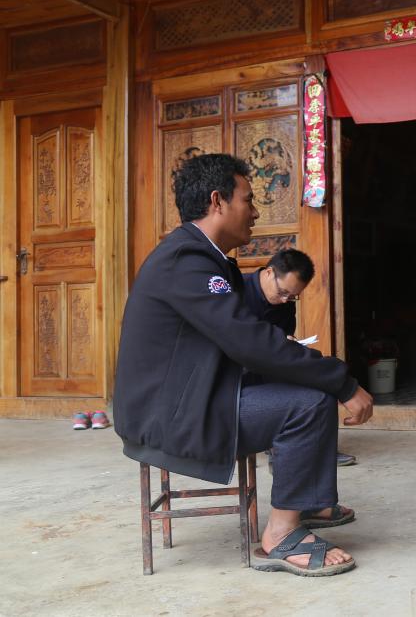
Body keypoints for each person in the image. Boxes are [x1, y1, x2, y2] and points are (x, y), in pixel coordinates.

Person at [114, 153, 373, 576]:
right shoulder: (187, 262)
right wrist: (341, 380)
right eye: (248, 200)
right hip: (173, 415)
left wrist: (322, 373)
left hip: (197, 396)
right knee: (309, 403)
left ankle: (305, 502)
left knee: (308, 389)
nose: (255, 212)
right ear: (218, 201)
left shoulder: (204, 258)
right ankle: (281, 536)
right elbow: (250, 343)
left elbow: (249, 341)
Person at [242, 248, 358, 467]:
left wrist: (289, 341)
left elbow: (284, 340)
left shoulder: (286, 303)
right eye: (283, 292)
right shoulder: (236, 290)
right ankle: (279, 451)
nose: (285, 300)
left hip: (272, 364)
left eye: (292, 296)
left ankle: (322, 451)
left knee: (317, 383)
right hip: (238, 374)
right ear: (269, 272)